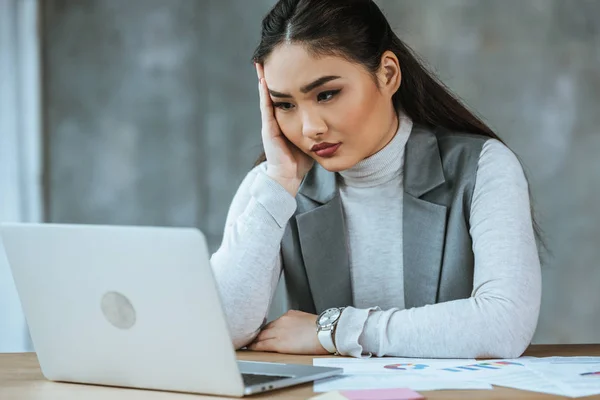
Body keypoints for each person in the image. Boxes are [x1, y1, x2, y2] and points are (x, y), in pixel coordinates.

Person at [210, 0, 541, 359]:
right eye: (285, 104)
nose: (310, 128)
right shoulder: (275, 185)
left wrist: (336, 330)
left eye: (327, 94)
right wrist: (278, 186)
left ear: (387, 74)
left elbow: (504, 325)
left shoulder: (481, 167)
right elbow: (218, 330)